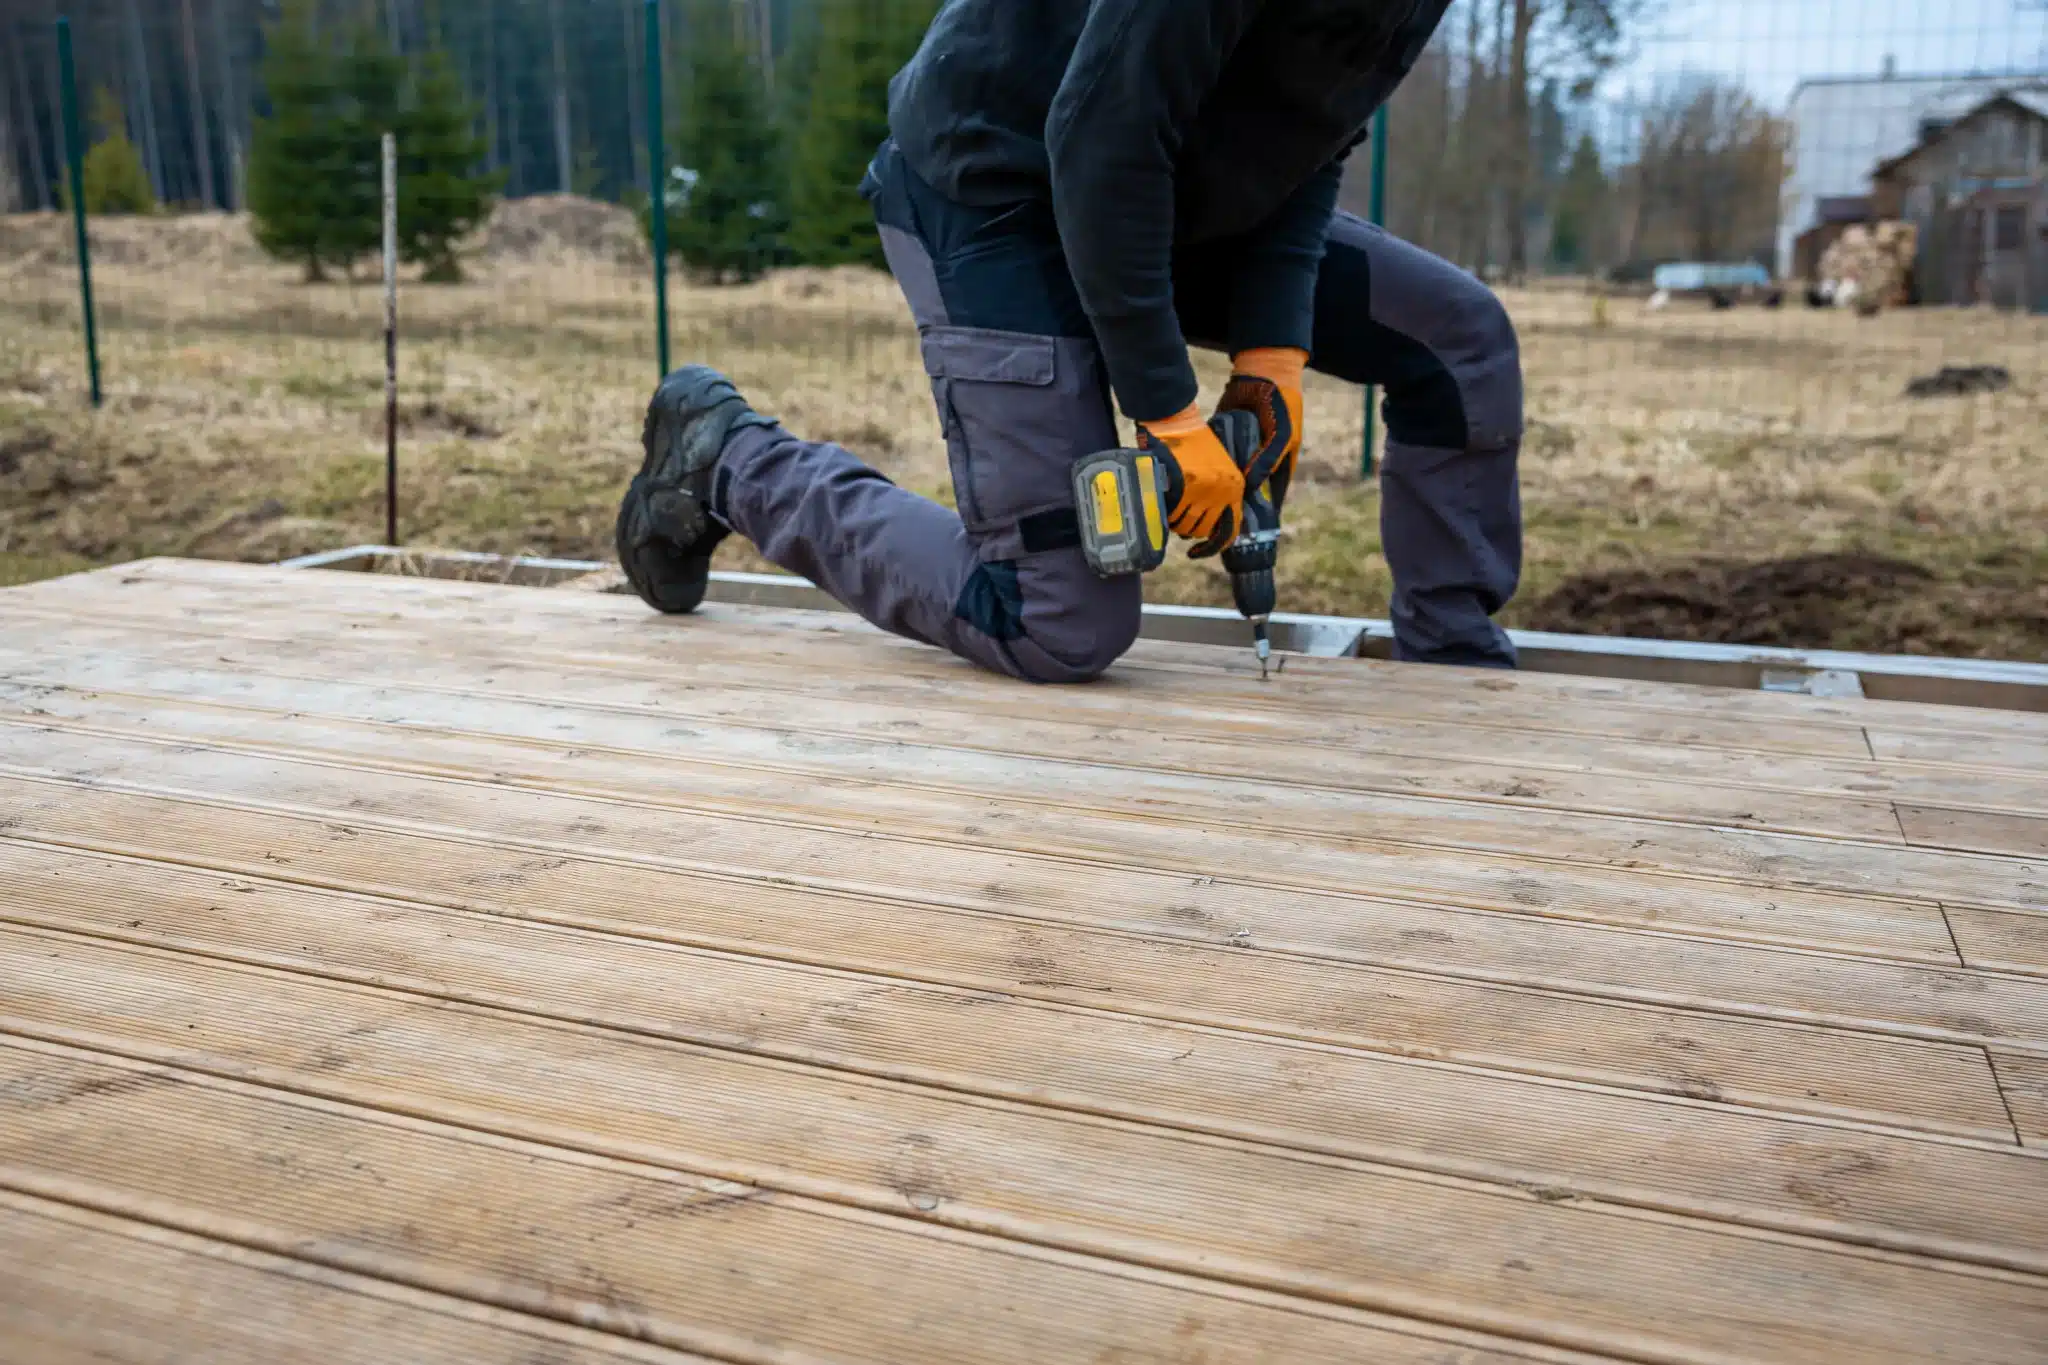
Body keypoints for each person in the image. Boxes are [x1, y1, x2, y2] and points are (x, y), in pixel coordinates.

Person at [615, 0, 1522, 683]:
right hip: (995, 193)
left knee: (1458, 340)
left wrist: (1271, 355)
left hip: (1161, 196)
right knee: (1053, 619)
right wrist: (1168, 412)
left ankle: (1456, 669)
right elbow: (1097, 146)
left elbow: (1307, 139)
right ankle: (725, 458)